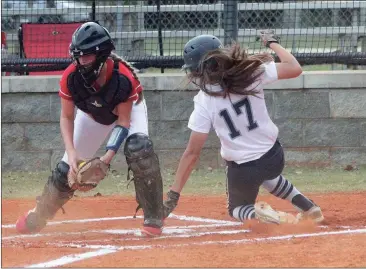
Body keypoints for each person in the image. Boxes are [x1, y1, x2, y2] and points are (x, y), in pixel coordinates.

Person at [15, 22, 164, 237]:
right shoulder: (71, 77)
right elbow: (66, 117)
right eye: (78, 56)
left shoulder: (123, 79)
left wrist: (107, 157)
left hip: (129, 111)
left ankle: (154, 218)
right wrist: (72, 153)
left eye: (87, 56)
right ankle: (39, 215)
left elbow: (123, 122)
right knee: (66, 171)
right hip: (93, 115)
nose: (81, 61)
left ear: (102, 54)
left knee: (139, 149)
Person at [162, 31, 324, 225]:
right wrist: (272, 43)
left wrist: (174, 194)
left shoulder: (204, 101)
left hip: (243, 169)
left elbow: (192, 153)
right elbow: (295, 68)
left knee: (237, 209)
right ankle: (308, 207)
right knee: (266, 176)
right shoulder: (251, 73)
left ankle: (262, 214)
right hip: (274, 156)